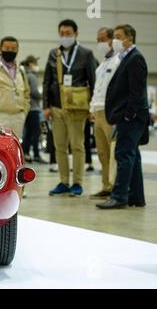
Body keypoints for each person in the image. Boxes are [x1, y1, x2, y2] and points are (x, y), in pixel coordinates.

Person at [96, 24, 150, 209]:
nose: (115, 41)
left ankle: (119, 197)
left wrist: (128, 115)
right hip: (129, 116)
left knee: (123, 155)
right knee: (133, 157)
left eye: (118, 37)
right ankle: (136, 197)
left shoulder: (135, 59)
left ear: (130, 38)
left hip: (131, 117)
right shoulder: (127, 58)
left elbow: (137, 92)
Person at [42, 19, 97, 196]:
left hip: (77, 109)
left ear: (76, 34)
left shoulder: (86, 54)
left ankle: (77, 182)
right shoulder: (53, 54)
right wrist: (46, 106)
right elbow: (46, 82)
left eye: (68, 33)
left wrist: (92, 108)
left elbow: (93, 81)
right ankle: (64, 181)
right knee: (59, 147)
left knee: (77, 146)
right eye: (62, 33)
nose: (65, 36)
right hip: (56, 108)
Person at [89, 27, 121, 199]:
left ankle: (116, 187)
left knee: (113, 152)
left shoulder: (118, 61)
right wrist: (92, 108)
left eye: (103, 39)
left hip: (110, 112)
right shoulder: (101, 64)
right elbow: (97, 88)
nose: (100, 43)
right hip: (98, 112)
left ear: (111, 41)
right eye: (98, 40)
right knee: (102, 152)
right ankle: (106, 185)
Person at [0, 37, 30, 140]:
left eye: (13, 49)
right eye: (7, 48)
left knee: (14, 150)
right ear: (0, 50)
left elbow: (26, 93)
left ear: (17, 50)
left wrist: (23, 113)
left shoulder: (21, 70)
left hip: (18, 117)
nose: (10, 51)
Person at [21, 55, 46, 163]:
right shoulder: (31, 76)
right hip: (34, 108)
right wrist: (43, 96)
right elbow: (34, 92)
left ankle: (25, 153)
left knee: (28, 133)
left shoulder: (22, 74)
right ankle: (35, 154)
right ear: (31, 63)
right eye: (35, 63)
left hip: (26, 108)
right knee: (36, 132)